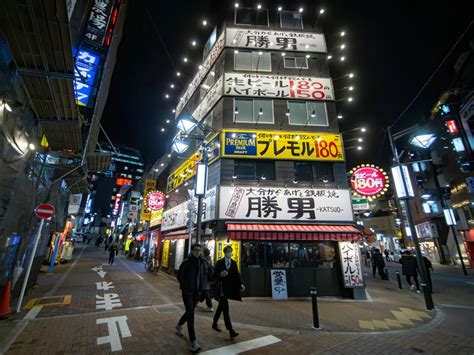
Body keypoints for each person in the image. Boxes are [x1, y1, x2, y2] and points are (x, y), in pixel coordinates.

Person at [176, 243, 208, 353]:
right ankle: (193, 342)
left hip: (196, 292)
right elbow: (179, 276)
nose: (197, 252)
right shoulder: (186, 262)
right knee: (191, 314)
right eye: (195, 250)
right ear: (192, 250)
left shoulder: (202, 262)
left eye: (199, 250)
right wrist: (185, 285)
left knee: (189, 312)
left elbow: (206, 275)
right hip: (187, 292)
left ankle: (179, 325)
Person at [212, 245, 245, 339]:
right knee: (225, 309)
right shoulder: (219, 262)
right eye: (228, 251)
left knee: (221, 307)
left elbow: (236, 276)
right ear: (224, 252)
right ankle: (231, 330)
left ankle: (214, 323)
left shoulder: (234, 263)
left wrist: (240, 284)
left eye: (230, 251)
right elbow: (214, 275)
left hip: (228, 289)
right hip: (221, 288)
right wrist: (220, 274)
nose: (229, 253)